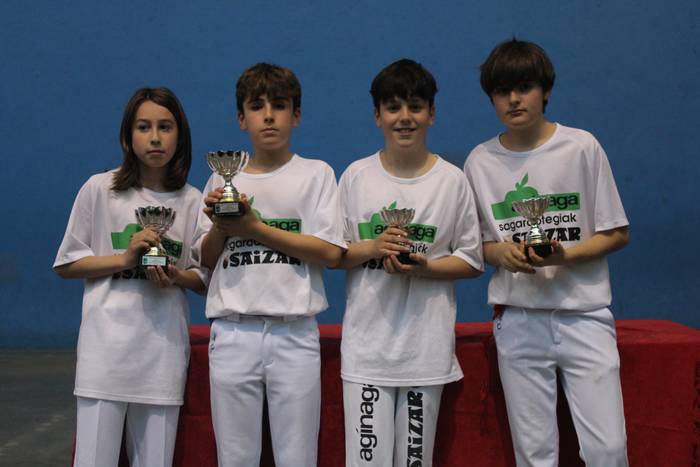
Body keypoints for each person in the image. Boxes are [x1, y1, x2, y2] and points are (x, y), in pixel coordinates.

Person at [463, 38, 630, 466]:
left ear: (546, 90)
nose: (514, 99)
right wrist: (500, 254)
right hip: (519, 320)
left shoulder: (581, 147)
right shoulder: (479, 161)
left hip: (584, 315)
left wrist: (565, 257)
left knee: (608, 451)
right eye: (503, 91)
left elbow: (616, 233)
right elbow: (476, 245)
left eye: (525, 87)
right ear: (491, 98)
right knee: (535, 455)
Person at [194, 63, 345, 467]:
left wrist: (254, 228)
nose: (268, 115)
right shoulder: (220, 180)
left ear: (296, 116)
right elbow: (205, 259)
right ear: (241, 119)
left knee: (297, 457)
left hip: (294, 332)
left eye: (279, 105)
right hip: (232, 332)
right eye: (256, 106)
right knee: (236, 458)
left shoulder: (316, 174)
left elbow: (331, 253)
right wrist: (222, 226)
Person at [337, 58, 483, 466]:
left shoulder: (452, 181)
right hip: (367, 353)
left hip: (425, 352)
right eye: (393, 107)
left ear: (431, 114)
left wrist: (426, 268)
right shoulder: (355, 177)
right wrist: (373, 247)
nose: (404, 117)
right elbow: (334, 255)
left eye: (415, 107)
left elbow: (472, 261)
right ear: (377, 115)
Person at [54, 87, 206, 466]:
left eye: (165, 127)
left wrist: (176, 276)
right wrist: (124, 258)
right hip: (104, 356)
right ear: (127, 137)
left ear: (180, 136)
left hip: (162, 358)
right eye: (143, 127)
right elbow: (67, 264)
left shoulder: (192, 200)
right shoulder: (99, 190)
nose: (155, 137)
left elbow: (204, 279)